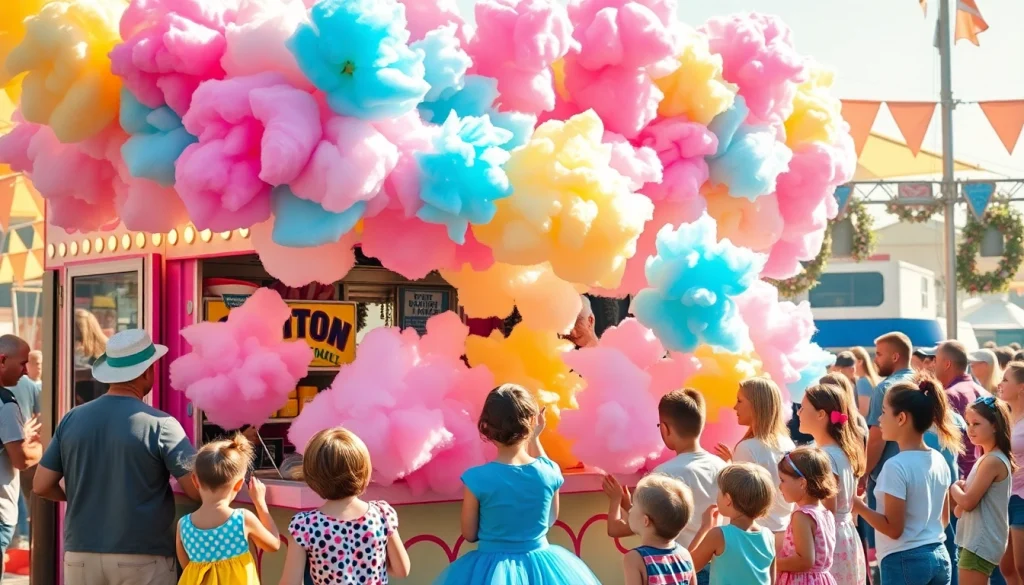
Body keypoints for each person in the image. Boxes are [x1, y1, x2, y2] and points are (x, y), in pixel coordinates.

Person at [34, 329, 200, 585]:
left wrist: (82, 494)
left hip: (80, 555)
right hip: (143, 556)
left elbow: (41, 485)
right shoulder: (162, 424)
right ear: (147, 372)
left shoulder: (72, 419)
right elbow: (197, 490)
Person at [433, 384, 601, 585]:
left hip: (489, 567)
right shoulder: (549, 473)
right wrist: (535, 438)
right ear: (531, 422)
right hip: (541, 567)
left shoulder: (477, 478)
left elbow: (469, 534)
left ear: (486, 426)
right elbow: (550, 519)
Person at [605, 389, 726, 585]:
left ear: (665, 429)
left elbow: (651, 522)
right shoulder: (723, 467)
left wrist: (620, 503)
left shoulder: (662, 476)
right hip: (717, 567)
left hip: (674, 570)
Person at [853, 375, 964, 585]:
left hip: (903, 559)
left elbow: (894, 529)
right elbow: (944, 519)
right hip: (939, 554)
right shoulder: (938, 459)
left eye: (884, 412)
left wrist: (858, 505)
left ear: (901, 418)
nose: (879, 419)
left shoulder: (895, 466)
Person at [280, 427, 408, 585]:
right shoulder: (382, 514)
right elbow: (402, 570)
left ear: (313, 477)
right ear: (364, 471)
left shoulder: (305, 526)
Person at [177, 434, 280, 584]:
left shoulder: (183, 525)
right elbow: (274, 545)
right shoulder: (242, 519)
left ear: (195, 480)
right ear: (239, 485)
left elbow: (188, 568)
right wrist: (260, 503)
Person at [798, 383, 867, 585]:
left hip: (828, 541)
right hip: (846, 537)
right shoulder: (842, 451)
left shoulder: (824, 457)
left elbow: (827, 510)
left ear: (821, 414)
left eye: (803, 407)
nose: (799, 412)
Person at [715, 377, 795, 548]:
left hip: (753, 536)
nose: (735, 407)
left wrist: (728, 469)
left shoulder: (748, 447)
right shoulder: (787, 443)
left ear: (756, 405)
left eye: (740, 401)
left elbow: (739, 500)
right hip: (785, 533)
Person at [950, 396, 1015, 585]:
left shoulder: (993, 461)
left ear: (995, 425)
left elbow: (968, 502)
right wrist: (961, 500)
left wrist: (955, 487)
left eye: (976, 423)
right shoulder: (986, 458)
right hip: (973, 540)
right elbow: (961, 509)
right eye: (968, 423)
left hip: (979, 542)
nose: (970, 429)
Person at [689, 463, 777, 585]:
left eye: (719, 491)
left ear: (728, 499)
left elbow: (688, 566)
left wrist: (705, 527)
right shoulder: (769, 536)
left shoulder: (719, 535)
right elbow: (772, 581)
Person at [0, 335, 41, 579]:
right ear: (2, 360)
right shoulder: (5, 403)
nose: (25, 372)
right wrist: (43, 448)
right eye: (22, 364)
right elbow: (22, 460)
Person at [611, 473, 698, 585]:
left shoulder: (635, 559)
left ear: (645, 521)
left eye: (634, 506)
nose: (630, 510)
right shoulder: (685, 555)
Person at [776, 447, 839, 585]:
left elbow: (804, 561)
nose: (780, 487)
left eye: (783, 480)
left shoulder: (802, 516)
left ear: (802, 483)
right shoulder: (824, 512)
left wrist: (772, 563)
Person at [935, 341, 989, 479]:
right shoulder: (984, 392)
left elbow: (948, 446)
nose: (932, 365)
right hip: (982, 474)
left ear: (947, 364)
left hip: (961, 480)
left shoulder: (949, 395)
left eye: (935, 360)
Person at [7, 349, 40, 548]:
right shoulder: (28, 387)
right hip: (24, 453)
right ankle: (22, 536)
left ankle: (21, 536)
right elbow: (41, 417)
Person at [999, 363, 1024, 585]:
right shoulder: (1004, 417)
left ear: (1021, 388)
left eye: (1006, 379)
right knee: (1006, 567)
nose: (1000, 383)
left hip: (1023, 499)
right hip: (1004, 497)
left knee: (1021, 566)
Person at [851, 346, 881, 418]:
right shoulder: (869, 380)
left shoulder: (862, 382)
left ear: (859, 362)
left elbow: (863, 412)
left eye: (850, 362)